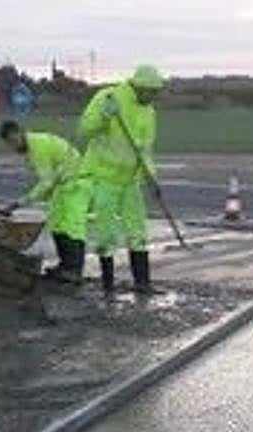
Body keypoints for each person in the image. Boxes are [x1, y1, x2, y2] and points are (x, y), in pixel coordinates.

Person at [78, 64, 165, 294]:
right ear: (138, 86)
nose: (154, 97)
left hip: (130, 180)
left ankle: (142, 282)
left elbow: (145, 151)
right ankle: (108, 285)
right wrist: (104, 118)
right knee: (105, 234)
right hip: (103, 177)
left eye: (157, 92)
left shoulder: (149, 112)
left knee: (138, 231)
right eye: (151, 92)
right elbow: (84, 130)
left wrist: (152, 179)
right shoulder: (108, 97)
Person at [0, 120, 90, 283]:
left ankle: (75, 270)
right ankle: (65, 266)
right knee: (56, 225)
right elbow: (49, 183)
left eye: (15, 140)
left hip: (76, 183)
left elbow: (46, 183)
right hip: (63, 185)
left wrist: (20, 203)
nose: (14, 145)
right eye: (10, 143)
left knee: (72, 227)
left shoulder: (37, 146)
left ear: (21, 132)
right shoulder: (31, 148)